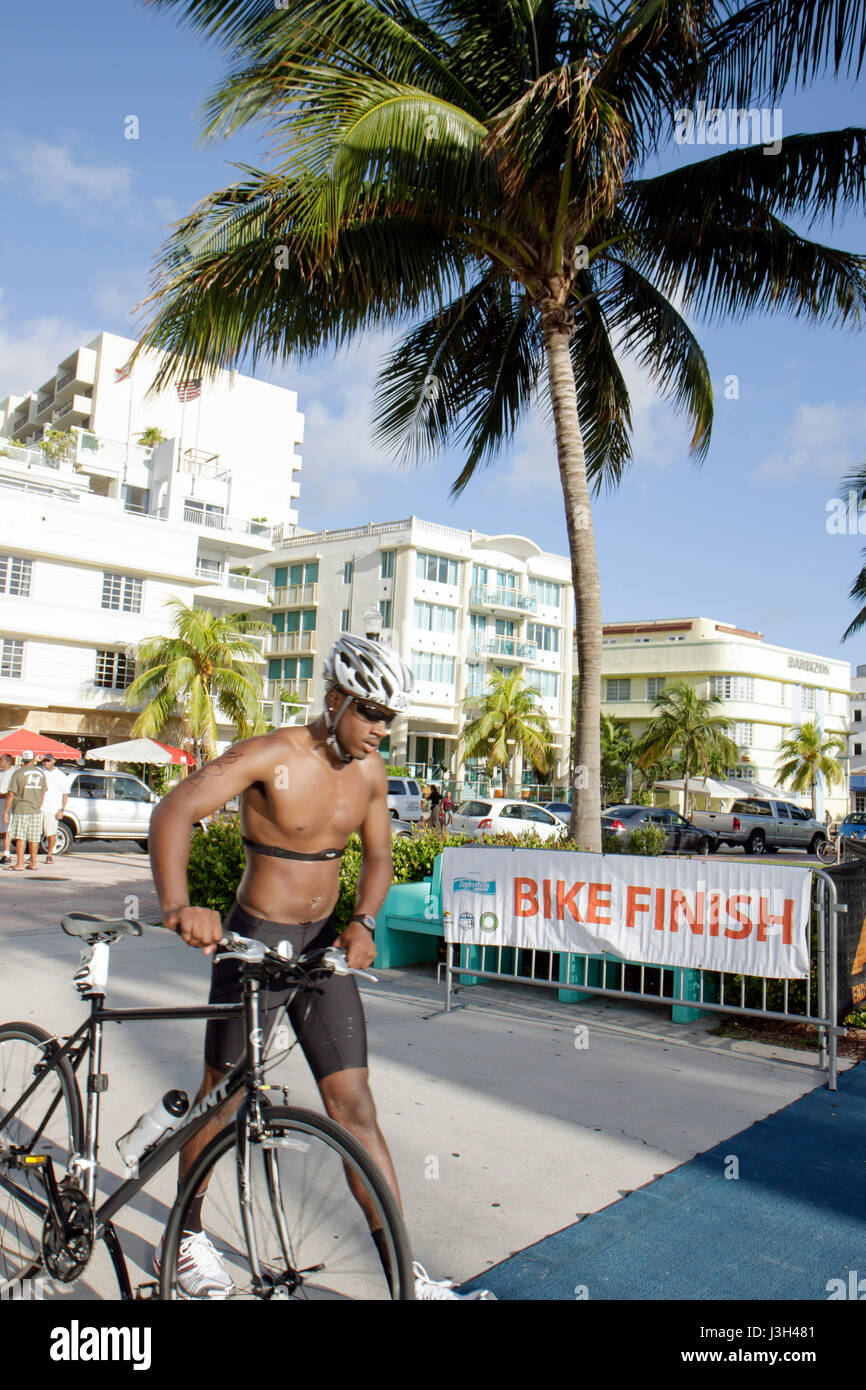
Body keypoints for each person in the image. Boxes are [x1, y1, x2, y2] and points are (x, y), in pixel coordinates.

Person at [148, 634, 493, 1301]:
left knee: (355, 1107)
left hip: (320, 953)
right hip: (255, 945)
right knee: (221, 1100)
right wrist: (178, 905)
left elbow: (380, 858)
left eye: (389, 718)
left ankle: (402, 1276)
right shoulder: (271, 755)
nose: (379, 730)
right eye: (369, 712)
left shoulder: (369, 772)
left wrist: (362, 921)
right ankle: (187, 1241)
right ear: (334, 699)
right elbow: (175, 811)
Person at [4, 751, 47, 872]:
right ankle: (33, 863)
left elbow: (11, 794)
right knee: (34, 838)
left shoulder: (18, 773)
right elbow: (43, 793)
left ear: (23, 760)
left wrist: (6, 811)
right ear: (33, 759)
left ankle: (19, 863)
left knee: (20, 837)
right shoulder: (41, 773)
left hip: (21, 808)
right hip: (35, 810)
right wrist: (38, 805)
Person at [39, 755, 71, 862]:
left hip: (52, 809)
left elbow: (65, 794)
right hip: (39, 807)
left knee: (51, 833)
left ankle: (49, 855)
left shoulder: (61, 776)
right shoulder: (40, 773)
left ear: (53, 761)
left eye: (47, 761)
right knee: (35, 833)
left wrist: (61, 809)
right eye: (44, 761)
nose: (45, 763)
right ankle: (32, 855)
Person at [0, 754, 13, 862]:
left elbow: (11, 792)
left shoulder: (12, 773)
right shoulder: (0, 772)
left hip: (6, 802)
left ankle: (6, 854)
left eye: (1, 759)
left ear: (7, 761)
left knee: (6, 829)